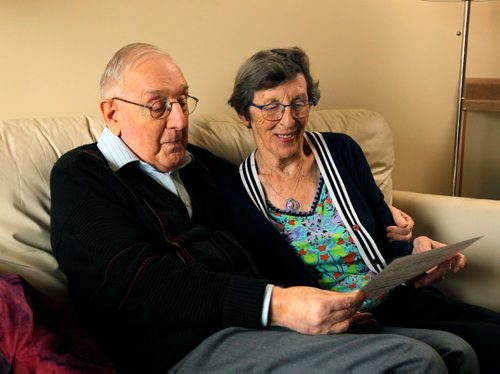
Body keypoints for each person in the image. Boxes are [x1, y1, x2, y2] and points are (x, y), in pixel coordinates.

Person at [50, 42, 477, 374]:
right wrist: (277, 304)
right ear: (112, 113)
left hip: (258, 325)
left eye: (182, 101)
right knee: (414, 362)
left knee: (455, 351)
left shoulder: (200, 168)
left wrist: (390, 228)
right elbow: (132, 282)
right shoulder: (82, 175)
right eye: (159, 106)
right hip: (180, 345)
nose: (180, 120)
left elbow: (275, 224)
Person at [226, 46, 500, 373]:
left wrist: (418, 255)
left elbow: (389, 235)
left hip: (393, 300)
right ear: (244, 115)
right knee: (457, 350)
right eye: (271, 106)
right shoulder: (236, 193)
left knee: (493, 335)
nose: (288, 119)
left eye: (299, 103)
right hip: (333, 327)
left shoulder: (342, 151)